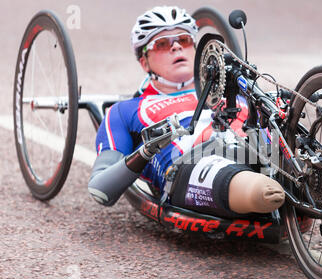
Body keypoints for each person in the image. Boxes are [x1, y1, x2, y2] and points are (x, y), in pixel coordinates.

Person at [88, 6, 285, 218]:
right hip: (192, 164)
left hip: (259, 149)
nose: (176, 48)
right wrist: (146, 150)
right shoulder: (125, 111)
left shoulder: (232, 89)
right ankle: (261, 191)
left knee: (298, 161)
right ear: (145, 62)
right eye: (162, 44)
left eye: (183, 40)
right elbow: (101, 189)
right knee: (259, 190)